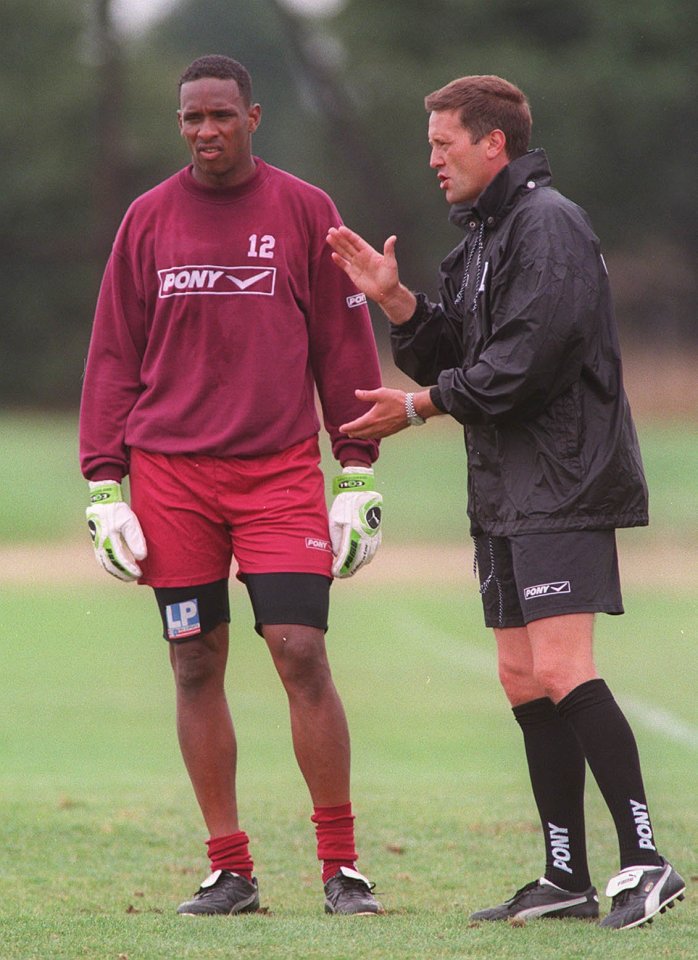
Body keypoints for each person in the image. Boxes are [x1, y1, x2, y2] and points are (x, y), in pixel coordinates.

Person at [326, 74, 685, 930]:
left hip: (561, 481)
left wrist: (418, 408)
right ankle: (565, 874)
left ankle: (646, 860)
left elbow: (523, 363)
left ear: (495, 143)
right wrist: (396, 300)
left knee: (563, 667)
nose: (434, 161)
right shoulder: (486, 235)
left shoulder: (548, 225)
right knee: (523, 677)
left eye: (445, 144)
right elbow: (457, 349)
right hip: (503, 489)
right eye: (431, 146)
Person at [79, 54, 385, 918]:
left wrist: (356, 468)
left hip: (279, 472)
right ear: (181, 124)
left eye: (220, 115)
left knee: (300, 651)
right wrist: (105, 484)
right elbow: (112, 357)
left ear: (253, 117)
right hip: (171, 479)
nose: (205, 131)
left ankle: (342, 865)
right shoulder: (146, 221)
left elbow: (341, 346)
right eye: (191, 119)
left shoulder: (304, 211)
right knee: (192, 661)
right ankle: (230, 869)